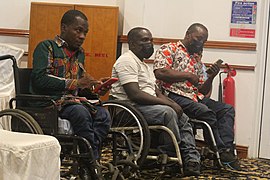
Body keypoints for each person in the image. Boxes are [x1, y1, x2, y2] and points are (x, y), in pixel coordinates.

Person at [30, 9, 111, 179]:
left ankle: (88, 157)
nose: (82, 36)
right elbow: (39, 79)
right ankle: (92, 162)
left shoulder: (79, 53)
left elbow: (80, 82)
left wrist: (95, 86)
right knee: (80, 112)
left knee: (104, 114)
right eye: (78, 30)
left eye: (85, 32)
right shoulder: (46, 47)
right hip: (49, 102)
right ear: (64, 28)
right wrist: (74, 83)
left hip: (72, 101)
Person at [110, 27, 201, 176]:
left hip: (144, 107)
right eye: (144, 40)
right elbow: (135, 94)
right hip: (128, 110)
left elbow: (156, 92)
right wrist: (167, 104)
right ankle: (168, 157)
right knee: (168, 112)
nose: (149, 44)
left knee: (180, 114)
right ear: (132, 43)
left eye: (151, 40)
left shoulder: (144, 65)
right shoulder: (126, 60)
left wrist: (172, 103)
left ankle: (191, 159)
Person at [153, 23, 241, 170]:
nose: (201, 43)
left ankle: (226, 150)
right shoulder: (169, 49)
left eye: (204, 41)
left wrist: (211, 77)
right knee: (205, 112)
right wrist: (187, 75)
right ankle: (219, 150)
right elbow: (160, 72)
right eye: (198, 38)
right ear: (188, 34)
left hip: (194, 96)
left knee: (227, 109)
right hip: (172, 95)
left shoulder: (196, 57)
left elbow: (201, 88)